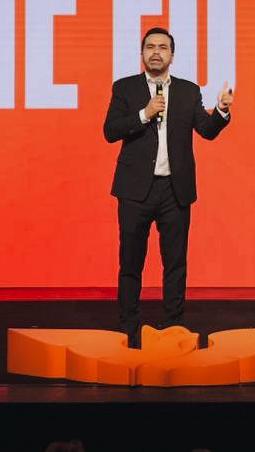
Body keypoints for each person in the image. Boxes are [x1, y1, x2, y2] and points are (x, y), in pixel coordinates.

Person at [103, 27, 234, 345]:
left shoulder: (188, 91)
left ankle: (174, 325)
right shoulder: (125, 88)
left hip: (175, 190)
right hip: (135, 190)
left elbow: (206, 130)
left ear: (172, 55)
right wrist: (144, 114)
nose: (156, 52)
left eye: (163, 47)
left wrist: (221, 111)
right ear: (142, 53)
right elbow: (110, 131)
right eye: (150, 47)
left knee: (175, 262)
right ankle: (128, 327)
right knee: (131, 262)